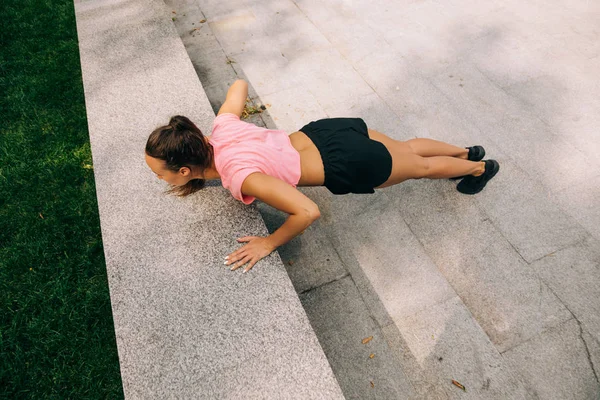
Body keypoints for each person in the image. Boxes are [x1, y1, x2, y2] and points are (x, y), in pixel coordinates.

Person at [145, 79, 499, 273]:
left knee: (418, 167)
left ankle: (479, 169)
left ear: (186, 170)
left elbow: (307, 211)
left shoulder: (238, 175)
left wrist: (268, 243)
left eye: (161, 174)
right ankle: (467, 151)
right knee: (406, 147)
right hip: (326, 134)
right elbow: (238, 86)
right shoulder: (221, 128)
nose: (160, 180)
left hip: (345, 163)